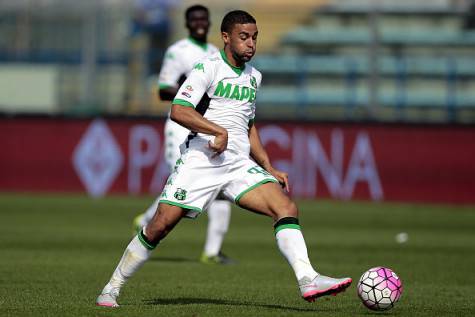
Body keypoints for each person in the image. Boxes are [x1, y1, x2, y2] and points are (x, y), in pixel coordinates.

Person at [96, 10, 352, 308]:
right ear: (226, 37)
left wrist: (268, 166)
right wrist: (216, 130)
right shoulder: (208, 68)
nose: (251, 44)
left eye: (255, 37)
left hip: (238, 164)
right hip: (201, 161)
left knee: (285, 206)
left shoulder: (254, 76)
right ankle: (111, 288)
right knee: (159, 226)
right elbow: (179, 110)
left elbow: (248, 125)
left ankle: (308, 279)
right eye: (244, 37)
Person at [132, 4, 235, 264]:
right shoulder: (178, 51)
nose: (200, 22)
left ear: (209, 22)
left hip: (205, 125)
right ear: (188, 24)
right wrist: (192, 87)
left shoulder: (215, 53)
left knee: (220, 183)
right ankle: (147, 220)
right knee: (182, 180)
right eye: (195, 19)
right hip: (180, 125)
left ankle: (212, 252)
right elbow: (164, 89)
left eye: (204, 18)